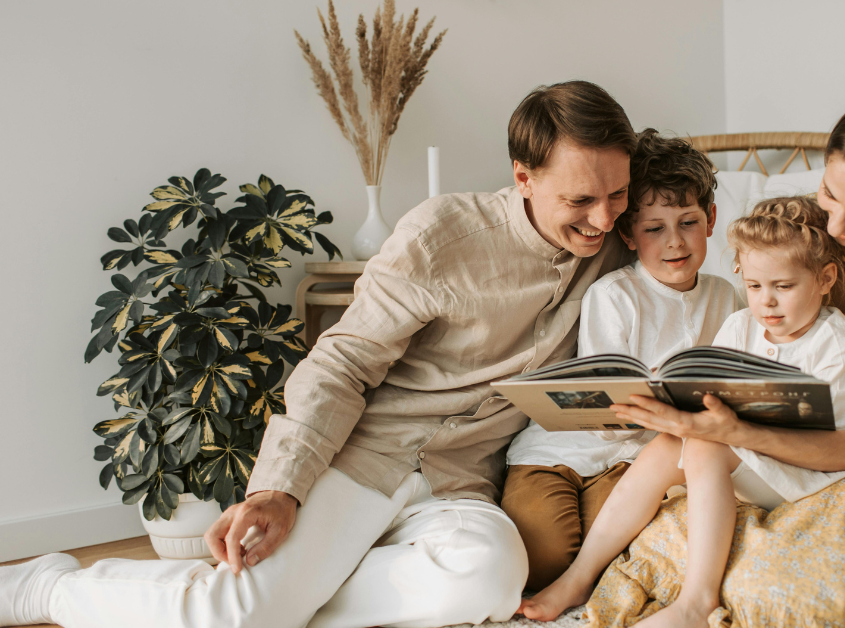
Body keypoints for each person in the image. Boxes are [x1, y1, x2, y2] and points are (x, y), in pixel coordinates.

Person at [0, 80, 636, 628]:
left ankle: (286, 604)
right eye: (580, 200)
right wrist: (280, 488)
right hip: (362, 460)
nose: (604, 219)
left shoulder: (619, 243)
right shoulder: (442, 237)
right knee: (230, 619)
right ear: (523, 177)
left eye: (618, 196)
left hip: (459, 484)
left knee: (489, 580)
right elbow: (341, 363)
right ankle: (50, 585)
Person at [583, 89, 845, 627]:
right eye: (830, 194)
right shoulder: (805, 232)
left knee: (779, 591)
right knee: (667, 538)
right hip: (776, 438)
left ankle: (698, 601)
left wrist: (730, 431)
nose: (837, 228)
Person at [519, 196, 845, 626]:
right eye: (755, 287)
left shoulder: (834, 340)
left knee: (703, 446)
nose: (767, 303)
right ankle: (580, 574)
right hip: (749, 461)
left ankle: (696, 602)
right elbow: (711, 385)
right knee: (670, 443)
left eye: (784, 287)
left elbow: (833, 439)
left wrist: (730, 427)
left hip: (802, 472)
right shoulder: (743, 325)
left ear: (825, 278)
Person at [502, 129, 740, 593]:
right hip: (561, 451)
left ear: (710, 219)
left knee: (615, 547)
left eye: (688, 222)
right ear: (629, 234)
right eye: (655, 228)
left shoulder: (726, 297)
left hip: (636, 462)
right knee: (541, 556)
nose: (675, 242)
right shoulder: (615, 296)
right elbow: (602, 406)